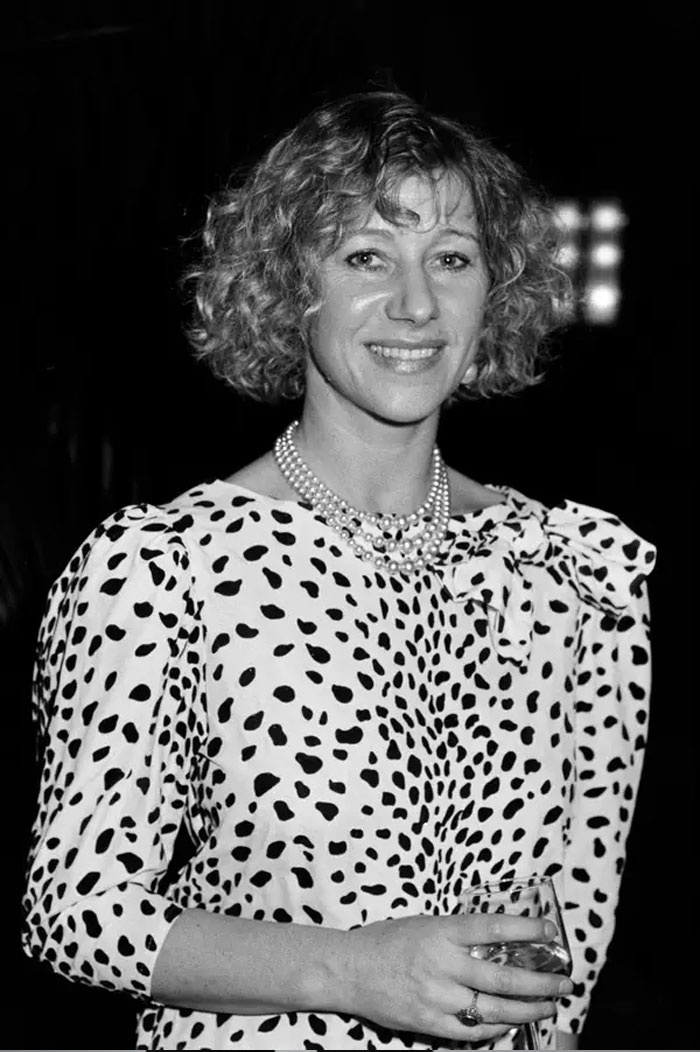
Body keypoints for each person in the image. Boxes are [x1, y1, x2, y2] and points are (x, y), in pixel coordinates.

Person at [22, 91, 655, 1051]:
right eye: (366, 256)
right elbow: (75, 909)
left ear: (497, 288)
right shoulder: (163, 567)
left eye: (452, 258)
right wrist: (353, 970)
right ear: (290, 284)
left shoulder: (573, 574)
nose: (417, 304)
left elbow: (572, 948)